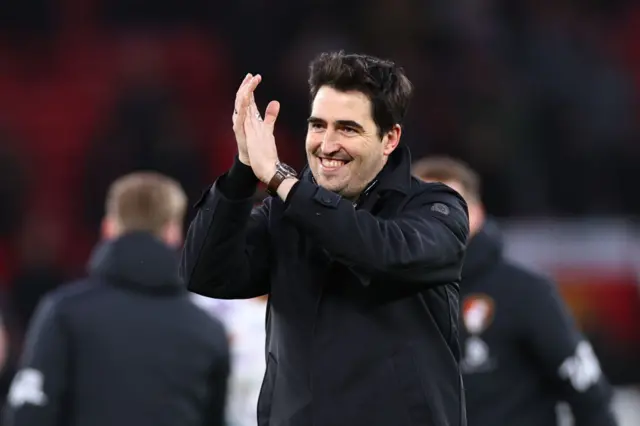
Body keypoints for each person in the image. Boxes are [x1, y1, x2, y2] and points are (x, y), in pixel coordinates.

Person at [181, 51, 470, 426]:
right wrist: (242, 171)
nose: (326, 144)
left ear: (389, 138)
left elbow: (382, 252)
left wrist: (283, 180)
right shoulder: (285, 215)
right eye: (318, 125)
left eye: (347, 129)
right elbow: (205, 273)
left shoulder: (434, 207)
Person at [4, 172, 230, 426]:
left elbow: (28, 416)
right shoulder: (208, 331)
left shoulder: (64, 313)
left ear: (108, 228)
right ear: (173, 233)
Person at [413, 156, 618, 426]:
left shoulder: (524, 293)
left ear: (477, 214)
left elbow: (589, 396)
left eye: (448, 207)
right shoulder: (388, 299)